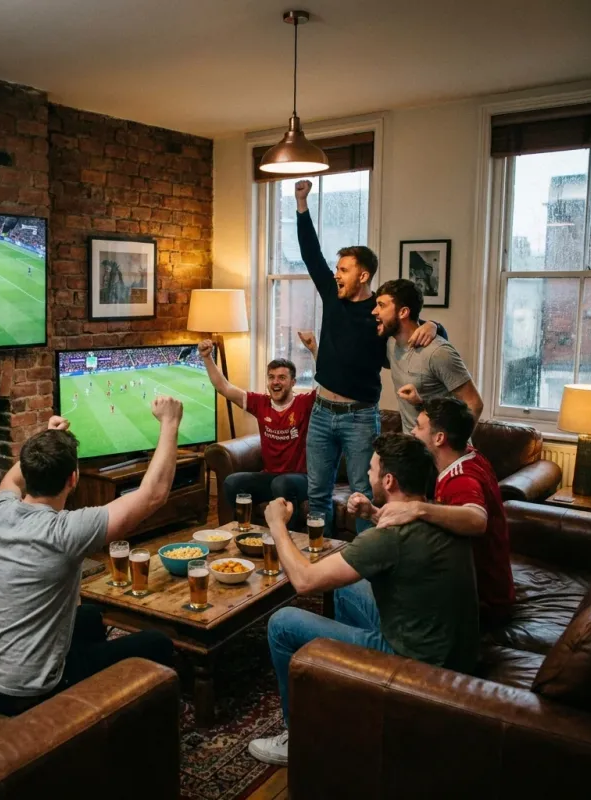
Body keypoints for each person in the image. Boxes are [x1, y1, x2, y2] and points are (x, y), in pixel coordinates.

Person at [248, 433, 479, 766]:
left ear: (388, 479)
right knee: (343, 586)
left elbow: (304, 581)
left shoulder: (387, 539)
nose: (367, 475)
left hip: (416, 663)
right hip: (452, 650)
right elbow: (403, 547)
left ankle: (296, 737)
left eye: (371, 469)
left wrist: (276, 526)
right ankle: (351, 692)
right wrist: (374, 513)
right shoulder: (438, 512)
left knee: (282, 623)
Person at [0, 402, 182, 716]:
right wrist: (170, 421)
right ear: (73, 479)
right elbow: (154, 494)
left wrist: (48, 438)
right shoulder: (65, 532)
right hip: (29, 692)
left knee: (91, 617)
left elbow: (16, 477)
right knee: (158, 644)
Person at [294, 180, 441, 537]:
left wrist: (435, 326)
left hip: (359, 416)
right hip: (321, 412)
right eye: (337, 268)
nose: (336, 274)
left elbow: (412, 330)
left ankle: (362, 565)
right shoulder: (332, 295)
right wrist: (301, 204)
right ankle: (319, 563)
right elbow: (311, 253)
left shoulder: (381, 312)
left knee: (362, 495)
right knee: (317, 494)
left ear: (363, 275)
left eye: (343, 270)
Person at [351, 398, 514, 625]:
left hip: (481, 601)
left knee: (357, 584)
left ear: (439, 438)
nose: (412, 431)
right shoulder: (469, 455)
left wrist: (417, 508)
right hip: (478, 590)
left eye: (418, 426)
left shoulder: (461, 479)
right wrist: (373, 514)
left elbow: (477, 520)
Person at [198, 339, 315, 531]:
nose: (275, 382)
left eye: (282, 378)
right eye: (271, 377)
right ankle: (244, 534)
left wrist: (314, 350)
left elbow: (328, 389)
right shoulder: (260, 403)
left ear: (293, 382)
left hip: (300, 479)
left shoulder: (304, 403)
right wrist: (207, 357)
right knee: (232, 482)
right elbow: (224, 387)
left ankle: (290, 541)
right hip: (270, 477)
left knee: (282, 483)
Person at [373, 279, 483, 433]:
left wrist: (454, 446)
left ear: (403, 312)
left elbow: (474, 404)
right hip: (413, 450)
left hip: (443, 451)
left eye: (381, 305)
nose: (374, 311)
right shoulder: (391, 344)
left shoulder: (438, 352)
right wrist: (434, 324)